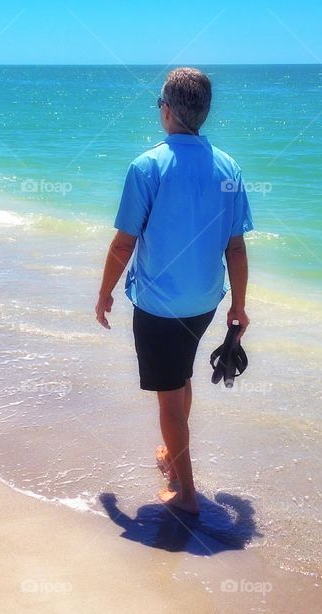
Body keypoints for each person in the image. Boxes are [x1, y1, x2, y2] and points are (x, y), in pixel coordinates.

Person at [95, 67, 253, 514]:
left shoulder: (148, 166)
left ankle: (186, 496)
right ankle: (173, 452)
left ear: (166, 110)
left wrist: (104, 291)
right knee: (179, 375)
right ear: (202, 113)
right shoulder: (228, 166)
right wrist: (238, 304)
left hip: (159, 306)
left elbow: (125, 241)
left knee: (168, 396)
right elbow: (236, 247)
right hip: (205, 301)